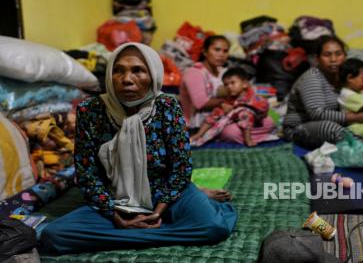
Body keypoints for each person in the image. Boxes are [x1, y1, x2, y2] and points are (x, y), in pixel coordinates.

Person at [39, 43, 237, 254]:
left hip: (167, 195)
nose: (126, 79)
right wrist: (115, 215)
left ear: (152, 75)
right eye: (118, 70)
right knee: (55, 235)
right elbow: (88, 174)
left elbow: (181, 167)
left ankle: (141, 227)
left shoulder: (167, 106)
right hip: (116, 200)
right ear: (109, 75)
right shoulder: (91, 110)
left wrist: (157, 211)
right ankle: (152, 229)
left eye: (137, 70)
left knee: (212, 226)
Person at [283, 35, 363, 149]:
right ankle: (360, 146)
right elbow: (317, 114)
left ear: (345, 56)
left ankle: (360, 143)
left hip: (339, 123)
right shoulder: (312, 78)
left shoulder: (343, 77)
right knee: (330, 128)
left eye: (338, 54)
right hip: (301, 128)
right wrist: (355, 117)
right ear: (317, 58)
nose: (333, 59)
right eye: (327, 55)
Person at [180, 35, 275, 144]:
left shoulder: (223, 72)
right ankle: (245, 136)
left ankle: (247, 134)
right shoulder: (194, 73)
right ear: (205, 52)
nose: (221, 54)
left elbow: (241, 89)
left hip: (229, 115)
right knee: (231, 132)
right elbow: (200, 103)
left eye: (225, 51)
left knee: (268, 121)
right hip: (203, 122)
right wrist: (225, 103)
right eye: (217, 50)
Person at [190, 67, 270, 147]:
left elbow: (264, 107)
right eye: (226, 85)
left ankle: (248, 139)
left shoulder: (252, 96)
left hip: (256, 118)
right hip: (236, 122)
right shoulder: (229, 100)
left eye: (232, 83)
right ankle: (199, 134)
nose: (229, 87)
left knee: (245, 113)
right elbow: (218, 114)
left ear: (245, 84)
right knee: (217, 112)